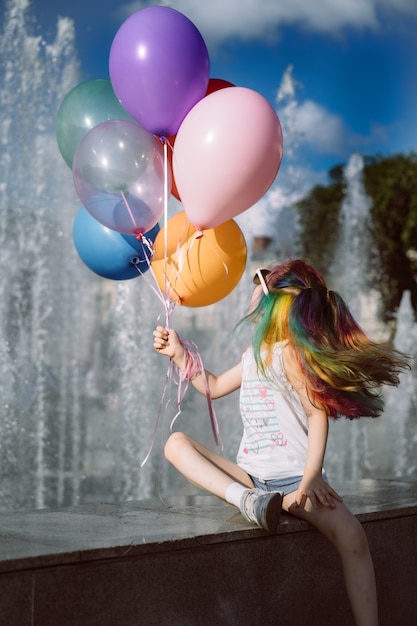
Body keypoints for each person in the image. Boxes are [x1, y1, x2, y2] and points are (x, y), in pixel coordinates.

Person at [153, 259, 410, 626]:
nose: (252, 296)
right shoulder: (252, 357)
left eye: (259, 288)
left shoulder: (291, 353)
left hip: (292, 483)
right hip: (250, 480)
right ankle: (248, 502)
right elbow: (211, 387)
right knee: (175, 443)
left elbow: (316, 413)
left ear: (276, 303)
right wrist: (180, 354)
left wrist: (312, 478)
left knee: (353, 537)